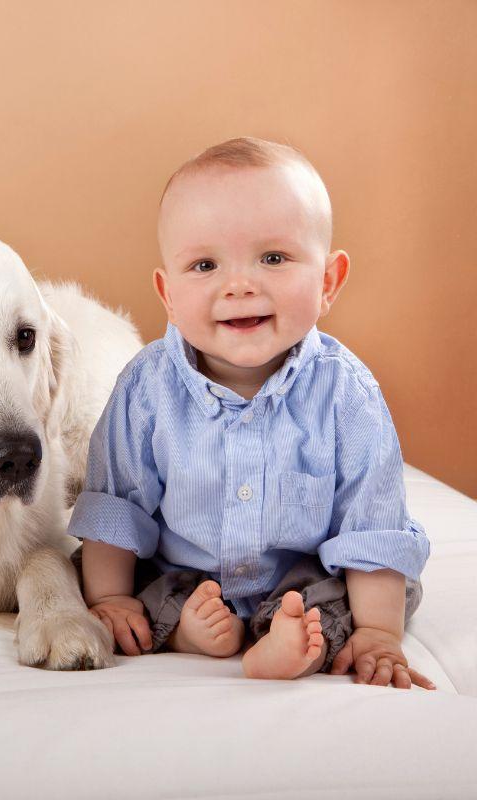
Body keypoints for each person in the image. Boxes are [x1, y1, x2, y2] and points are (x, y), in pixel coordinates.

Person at [70, 138, 433, 689]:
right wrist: (112, 598)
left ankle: (292, 644)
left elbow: (371, 522)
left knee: (382, 586)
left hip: (303, 580)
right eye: (205, 265)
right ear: (168, 295)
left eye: (273, 258)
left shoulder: (346, 393)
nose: (239, 286)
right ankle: (189, 631)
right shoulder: (147, 388)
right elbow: (117, 506)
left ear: (328, 282)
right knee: (112, 582)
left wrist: (379, 633)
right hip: (180, 572)